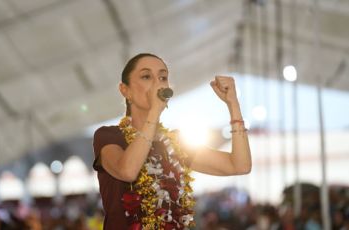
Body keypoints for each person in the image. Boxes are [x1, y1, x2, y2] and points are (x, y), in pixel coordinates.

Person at [93, 53, 251, 229]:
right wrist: (154, 111)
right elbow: (128, 170)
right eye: (146, 76)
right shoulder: (108, 136)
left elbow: (239, 165)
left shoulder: (175, 143)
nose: (157, 83)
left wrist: (233, 105)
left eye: (162, 77)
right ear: (125, 90)